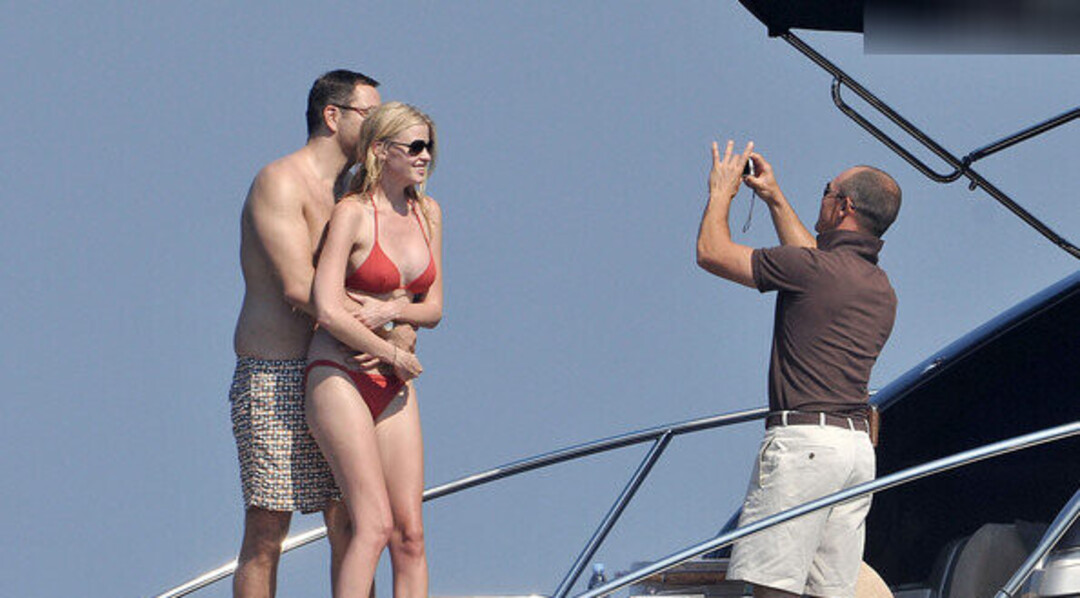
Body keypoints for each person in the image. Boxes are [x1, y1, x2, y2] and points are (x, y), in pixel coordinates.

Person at [695, 140, 901, 598]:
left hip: (804, 447)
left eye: (827, 191)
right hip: (853, 454)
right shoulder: (879, 287)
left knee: (774, 589)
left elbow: (712, 252)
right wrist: (773, 197)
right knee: (829, 592)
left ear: (844, 206)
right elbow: (813, 258)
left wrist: (722, 191)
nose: (821, 198)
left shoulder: (812, 270)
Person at [230, 69, 403, 598]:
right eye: (370, 115)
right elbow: (299, 286)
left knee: (352, 519)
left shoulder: (358, 193)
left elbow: (398, 273)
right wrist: (379, 330)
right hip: (276, 372)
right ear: (333, 116)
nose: (380, 126)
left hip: (340, 366)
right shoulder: (280, 181)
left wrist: (401, 326)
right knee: (268, 528)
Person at [305, 101, 443, 598]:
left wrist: (393, 313)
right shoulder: (352, 213)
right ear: (382, 151)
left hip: (393, 380)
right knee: (373, 523)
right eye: (416, 146)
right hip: (339, 371)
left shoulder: (429, 213)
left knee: (411, 534)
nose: (425, 156)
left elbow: (434, 308)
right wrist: (391, 353)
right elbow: (326, 307)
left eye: (430, 146)